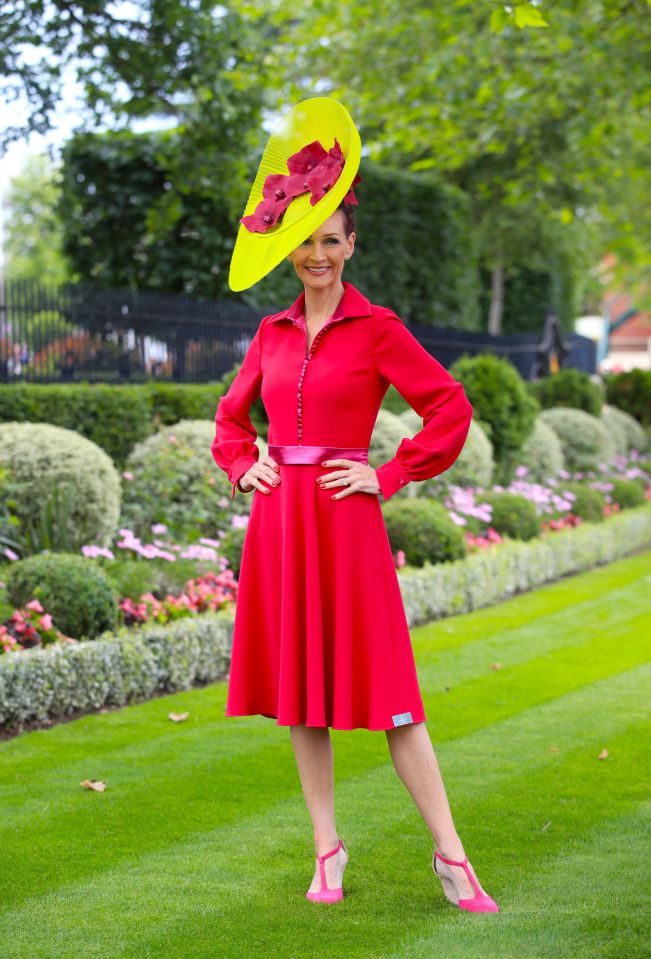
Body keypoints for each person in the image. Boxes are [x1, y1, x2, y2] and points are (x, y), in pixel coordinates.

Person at [211, 97, 500, 912]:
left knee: (391, 698)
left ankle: (451, 856)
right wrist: (244, 469)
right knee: (301, 696)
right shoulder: (268, 333)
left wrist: (391, 472)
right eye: (303, 240)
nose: (316, 254)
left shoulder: (377, 328)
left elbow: (447, 406)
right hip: (280, 524)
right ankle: (326, 849)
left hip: (346, 519)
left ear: (349, 244)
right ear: (287, 246)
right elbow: (231, 422)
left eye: (330, 240)